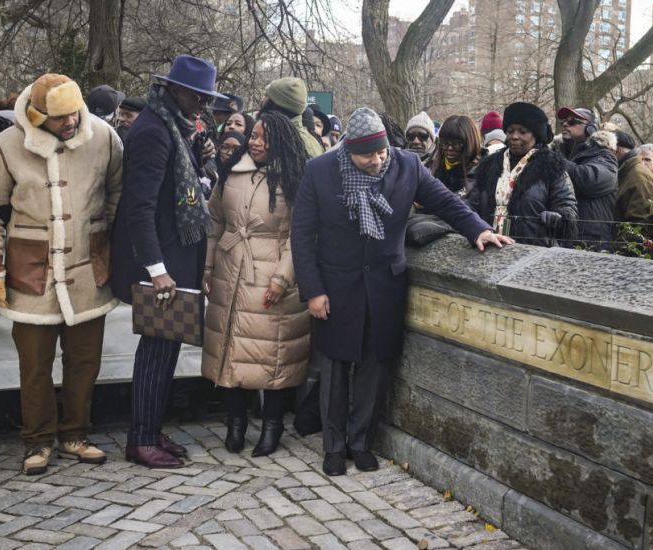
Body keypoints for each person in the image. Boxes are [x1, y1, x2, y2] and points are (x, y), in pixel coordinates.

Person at [291, 107, 512, 476]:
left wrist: (478, 230)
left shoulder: (406, 165)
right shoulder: (320, 171)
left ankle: (361, 442)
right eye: (368, 155)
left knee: (375, 367)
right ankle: (333, 445)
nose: (377, 160)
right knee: (333, 366)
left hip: (384, 285)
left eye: (381, 152)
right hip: (336, 285)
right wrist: (313, 290)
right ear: (348, 151)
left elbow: (445, 201)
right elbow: (301, 234)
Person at [0, 73, 122, 475]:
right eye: (60, 118)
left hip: (86, 272)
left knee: (84, 361)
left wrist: (101, 236)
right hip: (31, 272)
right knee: (35, 366)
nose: (71, 122)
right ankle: (37, 441)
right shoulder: (5, 146)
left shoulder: (105, 138)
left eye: (74, 113)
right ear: (36, 115)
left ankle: (76, 433)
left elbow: (117, 192)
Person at [111, 54, 224, 469]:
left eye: (206, 97)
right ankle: (140, 439)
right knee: (156, 352)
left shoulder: (172, 127)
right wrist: (157, 271)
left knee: (166, 350)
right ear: (173, 89)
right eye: (197, 95)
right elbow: (139, 209)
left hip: (175, 262)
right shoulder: (153, 132)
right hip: (161, 268)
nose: (203, 104)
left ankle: (151, 429)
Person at [202, 111, 311, 456]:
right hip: (231, 271)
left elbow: (302, 234)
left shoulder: (294, 178)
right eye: (254, 136)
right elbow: (215, 221)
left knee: (272, 354)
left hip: (272, 275)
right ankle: (235, 424)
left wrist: (283, 277)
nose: (257, 142)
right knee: (231, 352)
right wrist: (207, 268)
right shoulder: (231, 172)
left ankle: (273, 424)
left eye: (265, 137)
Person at [469, 102, 577, 246]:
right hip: (490, 248)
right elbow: (473, 202)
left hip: (533, 251)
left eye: (523, 131)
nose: (514, 136)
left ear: (536, 135)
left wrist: (559, 217)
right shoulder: (489, 165)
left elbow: (567, 206)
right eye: (510, 131)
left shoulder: (552, 167)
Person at [555, 107, 618, 251]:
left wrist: (556, 161)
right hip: (564, 235)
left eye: (572, 121)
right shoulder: (562, 154)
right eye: (563, 121)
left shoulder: (605, 155)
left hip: (592, 239)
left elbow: (590, 181)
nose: (565, 124)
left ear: (591, 127)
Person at [260, 77, 324, 158]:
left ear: (275, 105)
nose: (263, 100)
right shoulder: (302, 139)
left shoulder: (289, 143)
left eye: (267, 96)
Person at [614, 131, 653, 228]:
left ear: (618, 150)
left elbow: (640, 224)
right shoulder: (626, 171)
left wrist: (620, 243)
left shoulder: (639, 176)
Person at [430, 115, 481, 195]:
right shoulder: (434, 167)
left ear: (469, 143)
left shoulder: (481, 172)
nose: (450, 148)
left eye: (456, 144)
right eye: (445, 143)